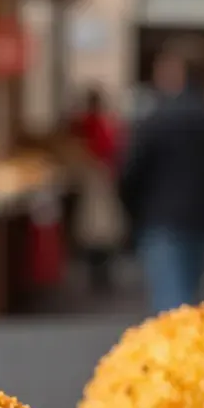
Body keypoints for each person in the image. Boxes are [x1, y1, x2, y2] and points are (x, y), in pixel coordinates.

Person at [119, 38, 204, 313]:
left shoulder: (154, 119)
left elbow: (129, 171)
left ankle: (179, 355)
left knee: (171, 299)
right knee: (191, 290)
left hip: (160, 217)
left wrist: (133, 213)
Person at [72, 87, 125, 293]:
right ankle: (101, 272)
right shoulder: (101, 124)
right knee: (99, 229)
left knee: (96, 228)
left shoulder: (91, 124)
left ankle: (99, 272)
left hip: (96, 179)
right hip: (101, 178)